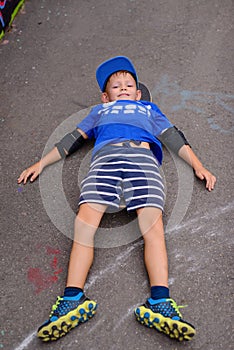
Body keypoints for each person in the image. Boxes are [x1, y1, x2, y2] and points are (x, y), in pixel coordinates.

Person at [18, 56, 216, 343]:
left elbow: (173, 137)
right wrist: (41, 163)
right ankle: (73, 298)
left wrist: (199, 166)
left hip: (142, 162)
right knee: (83, 226)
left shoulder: (148, 109)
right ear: (105, 95)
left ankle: (160, 302)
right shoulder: (100, 112)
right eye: (115, 85)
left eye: (128, 84)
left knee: (154, 230)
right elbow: (71, 140)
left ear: (138, 93)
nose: (123, 88)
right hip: (105, 164)